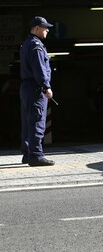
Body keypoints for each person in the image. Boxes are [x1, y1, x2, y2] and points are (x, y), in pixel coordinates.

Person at [20, 16, 55, 166]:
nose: (47, 29)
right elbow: (39, 69)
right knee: (36, 121)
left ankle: (27, 153)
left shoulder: (26, 44)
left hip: (27, 88)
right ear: (36, 28)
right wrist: (46, 86)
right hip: (36, 88)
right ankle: (36, 155)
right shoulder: (36, 46)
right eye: (45, 27)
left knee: (28, 122)